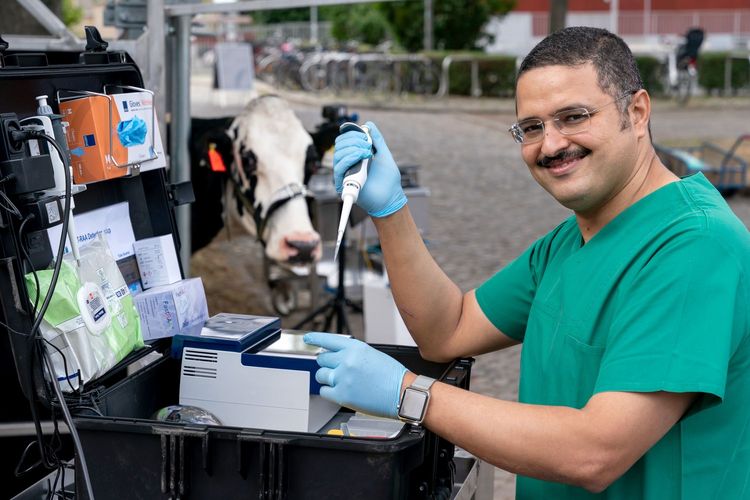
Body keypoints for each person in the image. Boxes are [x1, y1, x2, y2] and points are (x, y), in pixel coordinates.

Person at [304, 26, 750, 498]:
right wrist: (390, 211)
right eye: (532, 127)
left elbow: (596, 451)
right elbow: (447, 330)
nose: (551, 145)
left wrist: (410, 394)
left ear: (636, 112)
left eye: (573, 117)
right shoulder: (573, 238)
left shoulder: (694, 246)